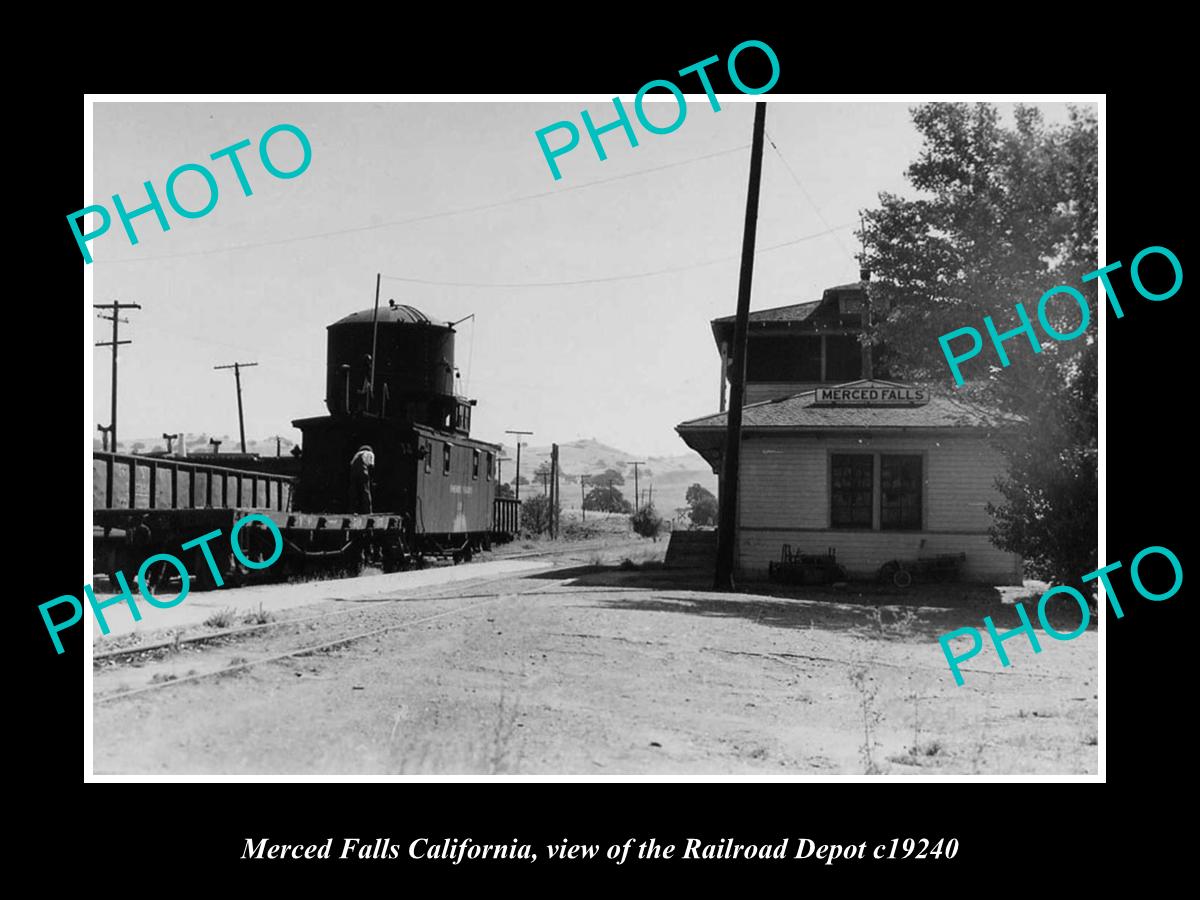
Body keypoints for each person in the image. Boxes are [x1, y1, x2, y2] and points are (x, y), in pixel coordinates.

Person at [349, 445, 375, 513]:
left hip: (353, 473)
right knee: (366, 491)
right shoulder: (370, 453)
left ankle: (353, 510)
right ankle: (368, 511)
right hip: (363, 472)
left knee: (354, 492)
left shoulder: (357, 454)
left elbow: (351, 464)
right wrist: (371, 479)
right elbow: (371, 466)